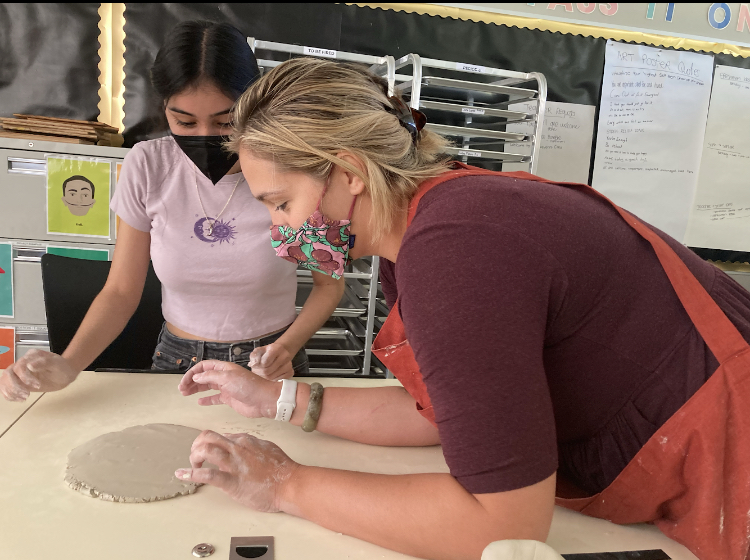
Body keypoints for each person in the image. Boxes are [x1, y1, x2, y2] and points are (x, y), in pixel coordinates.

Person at [180, 59, 750, 560]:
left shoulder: (456, 251)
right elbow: (446, 415)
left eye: (281, 204)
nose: (280, 233)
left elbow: (504, 529)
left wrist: (285, 485)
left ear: (348, 171)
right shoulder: (437, 223)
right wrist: (280, 398)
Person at [0, 23, 344, 402]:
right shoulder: (148, 165)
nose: (203, 136)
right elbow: (120, 291)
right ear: (164, 109)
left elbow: (329, 284)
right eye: (185, 122)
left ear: (252, 105)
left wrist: (286, 348)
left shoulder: (292, 166)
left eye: (225, 122)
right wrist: (68, 365)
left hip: (273, 358)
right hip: (179, 362)